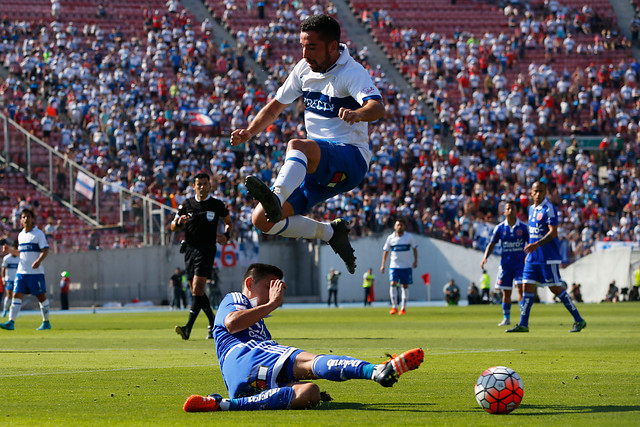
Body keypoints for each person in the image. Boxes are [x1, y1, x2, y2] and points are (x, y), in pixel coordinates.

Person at [230, 14, 386, 275]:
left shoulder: (351, 72)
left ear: (333, 47)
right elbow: (274, 108)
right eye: (302, 46)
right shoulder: (304, 69)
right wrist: (249, 132)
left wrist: (358, 113)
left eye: (311, 47)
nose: (304, 53)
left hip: (351, 159)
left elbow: (377, 106)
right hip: (317, 167)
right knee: (263, 220)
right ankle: (329, 232)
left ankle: (275, 196)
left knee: (298, 145)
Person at [182, 263, 424, 412]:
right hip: (246, 354)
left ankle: (223, 404)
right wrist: (274, 303)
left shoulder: (259, 324)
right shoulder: (236, 298)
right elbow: (233, 323)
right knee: (309, 361)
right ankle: (375, 370)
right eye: (269, 286)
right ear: (249, 283)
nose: (273, 293)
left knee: (310, 392)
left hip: (241, 382)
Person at [507, 180, 587, 333]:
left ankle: (579, 320)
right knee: (526, 287)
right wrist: (530, 250)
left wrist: (536, 245)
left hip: (547, 257)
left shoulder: (548, 209)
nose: (538, 194)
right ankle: (524, 324)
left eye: (541, 191)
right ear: (531, 192)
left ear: (545, 193)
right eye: (535, 191)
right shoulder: (531, 209)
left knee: (555, 289)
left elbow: (553, 232)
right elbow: (533, 233)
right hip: (532, 257)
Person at [171, 172, 233, 340]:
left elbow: (228, 222)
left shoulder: (216, 204)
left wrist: (226, 236)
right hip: (189, 250)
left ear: (209, 186)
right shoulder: (186, 204)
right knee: (195, 291)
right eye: (199, 184)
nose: (202, 187)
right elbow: (172, 226)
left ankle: (188, 328)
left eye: (205, 184)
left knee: (198, 288)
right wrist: (179, 222)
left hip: (207, 249)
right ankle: (214, 324)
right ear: (194, 186)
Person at [0, 209, 52, 331]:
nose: (26, 219)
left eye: (28, 216)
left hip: (35, 273)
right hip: (21, 272)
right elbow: (21, 252)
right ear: (20, 220)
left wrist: (38, 261)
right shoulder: (21, 235)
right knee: (16, 295)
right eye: (23, 217)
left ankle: (46, 322)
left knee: (41, 297)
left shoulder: (38, 234)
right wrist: (9, 251)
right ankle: (11, 322)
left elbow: (45, 250)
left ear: (32, 219)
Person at [480, 200, 529, 326]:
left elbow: (531, 244)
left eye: (513, 208)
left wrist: (529, 256)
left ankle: (523, 318)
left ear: (517, 211)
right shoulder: (500, 228)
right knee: (506, 292)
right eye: (508, 208)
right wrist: (485, 257)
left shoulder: (523, 227)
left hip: (520, 265)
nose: (511, 211)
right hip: (506, 265)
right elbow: (492, 244)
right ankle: (506, 318)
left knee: (521, 290)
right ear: (504, 211)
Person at [380, 218, 418, 315]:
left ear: (404, 226)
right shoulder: (390, 238)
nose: (399, 226)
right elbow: (386, 251)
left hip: (406, 266)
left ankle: (403, 308)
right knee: (393, 284)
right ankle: (394, 307)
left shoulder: (409, 237)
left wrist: (415, 261)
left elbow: (414, 248)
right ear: (394, 226)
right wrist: (383, 264)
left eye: (401, 225)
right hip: (394, 265)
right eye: (398, 225)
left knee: (404, 286)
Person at [1, 241, 19, 318]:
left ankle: (13, 312)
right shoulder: (7, 258)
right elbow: (3, 269)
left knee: (16, 297)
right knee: (8, 296)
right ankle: (5, 310)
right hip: (9, 279)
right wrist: (3, 279)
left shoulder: (20, 258)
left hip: (17, 280)